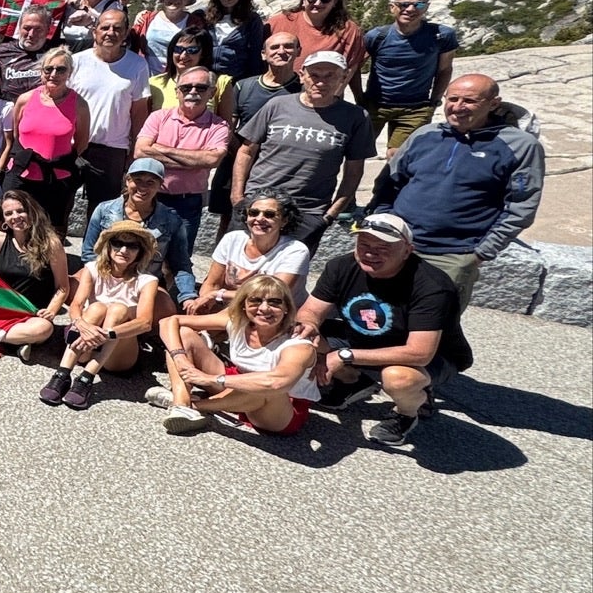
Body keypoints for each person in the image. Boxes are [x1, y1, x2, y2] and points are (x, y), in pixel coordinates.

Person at [293, 213, 472, 447]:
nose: (370, 252)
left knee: (398, 378)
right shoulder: (342, 266)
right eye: (364, 244)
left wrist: (344, 356)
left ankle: (407, 412)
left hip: (431, 356)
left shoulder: (432, 286)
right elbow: (310, 312)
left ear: (407, 250)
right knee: (300, 335)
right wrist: (309, 326)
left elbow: (420, 352)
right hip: (363, 339)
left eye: (383, 247)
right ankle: (352, 382)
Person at [370, 73, 544, 309]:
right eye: (452, 99)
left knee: (434, 327)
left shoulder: (520, 146)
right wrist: (383, 223)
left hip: (453, 254)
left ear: (493, 103)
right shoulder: (425, 134)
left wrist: (481, 253)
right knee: (375, 314)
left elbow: (521, 206)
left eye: (469, 101)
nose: (458, 107)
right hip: (395, 243)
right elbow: (389, 182)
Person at [232, 50, 373, 249]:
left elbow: (354, 172)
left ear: (343, 78)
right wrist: (237, 198)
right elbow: (246, 151)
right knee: (236, 270)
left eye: (330, 75)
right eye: (315, 75)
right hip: (258, 204)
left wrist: (330, 215)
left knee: (287, 276)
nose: (321, 82)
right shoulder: (276, 105)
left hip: (307, 212)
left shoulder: (356, 117)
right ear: (302, 75)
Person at [152, 274, 320, 436]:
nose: (264, 308)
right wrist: (180, 358)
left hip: (279, 408)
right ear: (243, 305)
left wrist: (209, 379)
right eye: (255, 300)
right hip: (236, 381)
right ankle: (181, 404)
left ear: (286, 308)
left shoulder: (298, 345)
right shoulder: (237, 320)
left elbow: (277, 382)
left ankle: (195, 406)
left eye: (275, 302)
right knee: (183, 335)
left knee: (266, 385)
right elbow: (168, 322)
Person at [39, 221, 163, 410]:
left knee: (118, 309)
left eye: (132, 245)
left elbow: (145, 323)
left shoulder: (147, 281)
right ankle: (62, 374)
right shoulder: (92, 269)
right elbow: (76, 305)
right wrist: (82, 326)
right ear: (109, 246)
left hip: (118, 354)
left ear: (140, 252)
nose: (123, 250)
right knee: (96, 308)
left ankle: (86, 378)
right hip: (86, 346)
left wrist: (107, 335)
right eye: (118, 243)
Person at [0, 187, 71, 358]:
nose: (15, 217)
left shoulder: (51, 244)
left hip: (30, 315)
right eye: (9, 214)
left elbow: (62, 287)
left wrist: (51, 311)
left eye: (20, 211)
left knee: (43, 329)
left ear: (31, 211)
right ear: (4, 219)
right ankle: (13, 341)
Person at [211, 30, 302, 236]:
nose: (281, 51)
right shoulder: (244, 86)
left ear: (298, 51)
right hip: (238, 161)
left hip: (280, 167)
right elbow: (228, 126)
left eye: (288, 46)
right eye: (275, 47)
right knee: (230, 220)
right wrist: (243, 156)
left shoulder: (303, 90)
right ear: (263, 54)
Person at [82, 158, 199, 313]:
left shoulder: (171, 220)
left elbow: (181, 263)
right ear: (127, 181)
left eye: (151, 182)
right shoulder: (104, 210)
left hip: (145, 282)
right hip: (107, 278)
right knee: (74, 285)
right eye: (137, 180)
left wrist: (188, 296)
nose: (142, 187)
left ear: (160, 185)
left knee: (165, 311)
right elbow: (89, 253)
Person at [134, 65, 229, 253]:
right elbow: (140, 151)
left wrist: (159, 150)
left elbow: (212, 159)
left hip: (187, 203)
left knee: (179, 259)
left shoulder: (219, 126)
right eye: (186, 88)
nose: (193, 92)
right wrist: (193, 159)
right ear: (177, 92)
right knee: (138, 252)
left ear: (212, 93)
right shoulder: (158, 116)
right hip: (150, 197)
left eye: (200, 88)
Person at [361, 0, 459, 157]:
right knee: (357, 151)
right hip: (375, 105)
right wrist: (359, 97)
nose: (411, 9)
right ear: (393, 7)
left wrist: (434, 100)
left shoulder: (442, 36)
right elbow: (354, 67)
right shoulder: (376, 36)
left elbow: (444, 69)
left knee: (399, 155)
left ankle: (388, 184)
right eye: (404, 4)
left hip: (415, 108)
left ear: (427, 7)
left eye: (419, 5)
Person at [69, 9, 152, 211]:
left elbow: (138, 112)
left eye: (117, 28)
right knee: (60, 203)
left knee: (103, 209)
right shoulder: (76, 61)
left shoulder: (138, 65)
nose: (110, 32)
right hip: (73, 145)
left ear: (125, 34)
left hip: (112, 150)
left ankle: (96, 244)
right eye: (105, 27)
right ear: (94, 32)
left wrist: (135, 152)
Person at [1, 45, 88, 233]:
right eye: (48, 69)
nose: (53, 74)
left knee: (51, 233)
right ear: (42, 71)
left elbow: (81, 142)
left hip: (57, 180)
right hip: (22, 175)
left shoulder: (79, 105)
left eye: (60, 69)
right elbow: (18, 135)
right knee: (13, 228)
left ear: (70, 72)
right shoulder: (25, 99)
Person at [194, 191, 311, 314]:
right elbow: (212, 283)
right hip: (230, 307)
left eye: (269, 214)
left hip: (271, 314)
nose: (259, 218)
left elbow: (272, 294)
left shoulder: (295, 251)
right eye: (253, 213)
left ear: (284, 220)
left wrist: (219, 295)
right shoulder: (232, 239)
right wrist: (203, 303)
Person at [269, 0, 365, 89]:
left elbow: (350, 67)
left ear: (335, 1)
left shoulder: (347, 29)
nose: (318, 3)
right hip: (279, 88)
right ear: (304, 0)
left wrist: (334, 97)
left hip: (323, 93)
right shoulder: (279, 22)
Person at [202, 0, 269, 81]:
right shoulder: (204, 16)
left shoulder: (252, 20)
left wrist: (252, 81)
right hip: (205, 78)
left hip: (237, 79)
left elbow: (255, 53)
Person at [146, 31, 228, 113]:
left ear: (203, 53)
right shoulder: (153, 83)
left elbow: (226, 123)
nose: (183, 55)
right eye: (178, 49)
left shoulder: (220, 82)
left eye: (192, 50)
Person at [0, 4, 58, 101]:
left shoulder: (56, 54)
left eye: (38, 29)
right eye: (27, 28)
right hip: (7, 110)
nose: (31, 34)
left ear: (48, 30)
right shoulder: (1, 52)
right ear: (19, 27)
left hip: (42, 109)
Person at [132, 0, 198, 65]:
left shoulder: (195, 23)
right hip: (146, 75)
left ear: (187, 0)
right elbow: (128, 40)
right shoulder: (146, 19)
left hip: (178, 76)